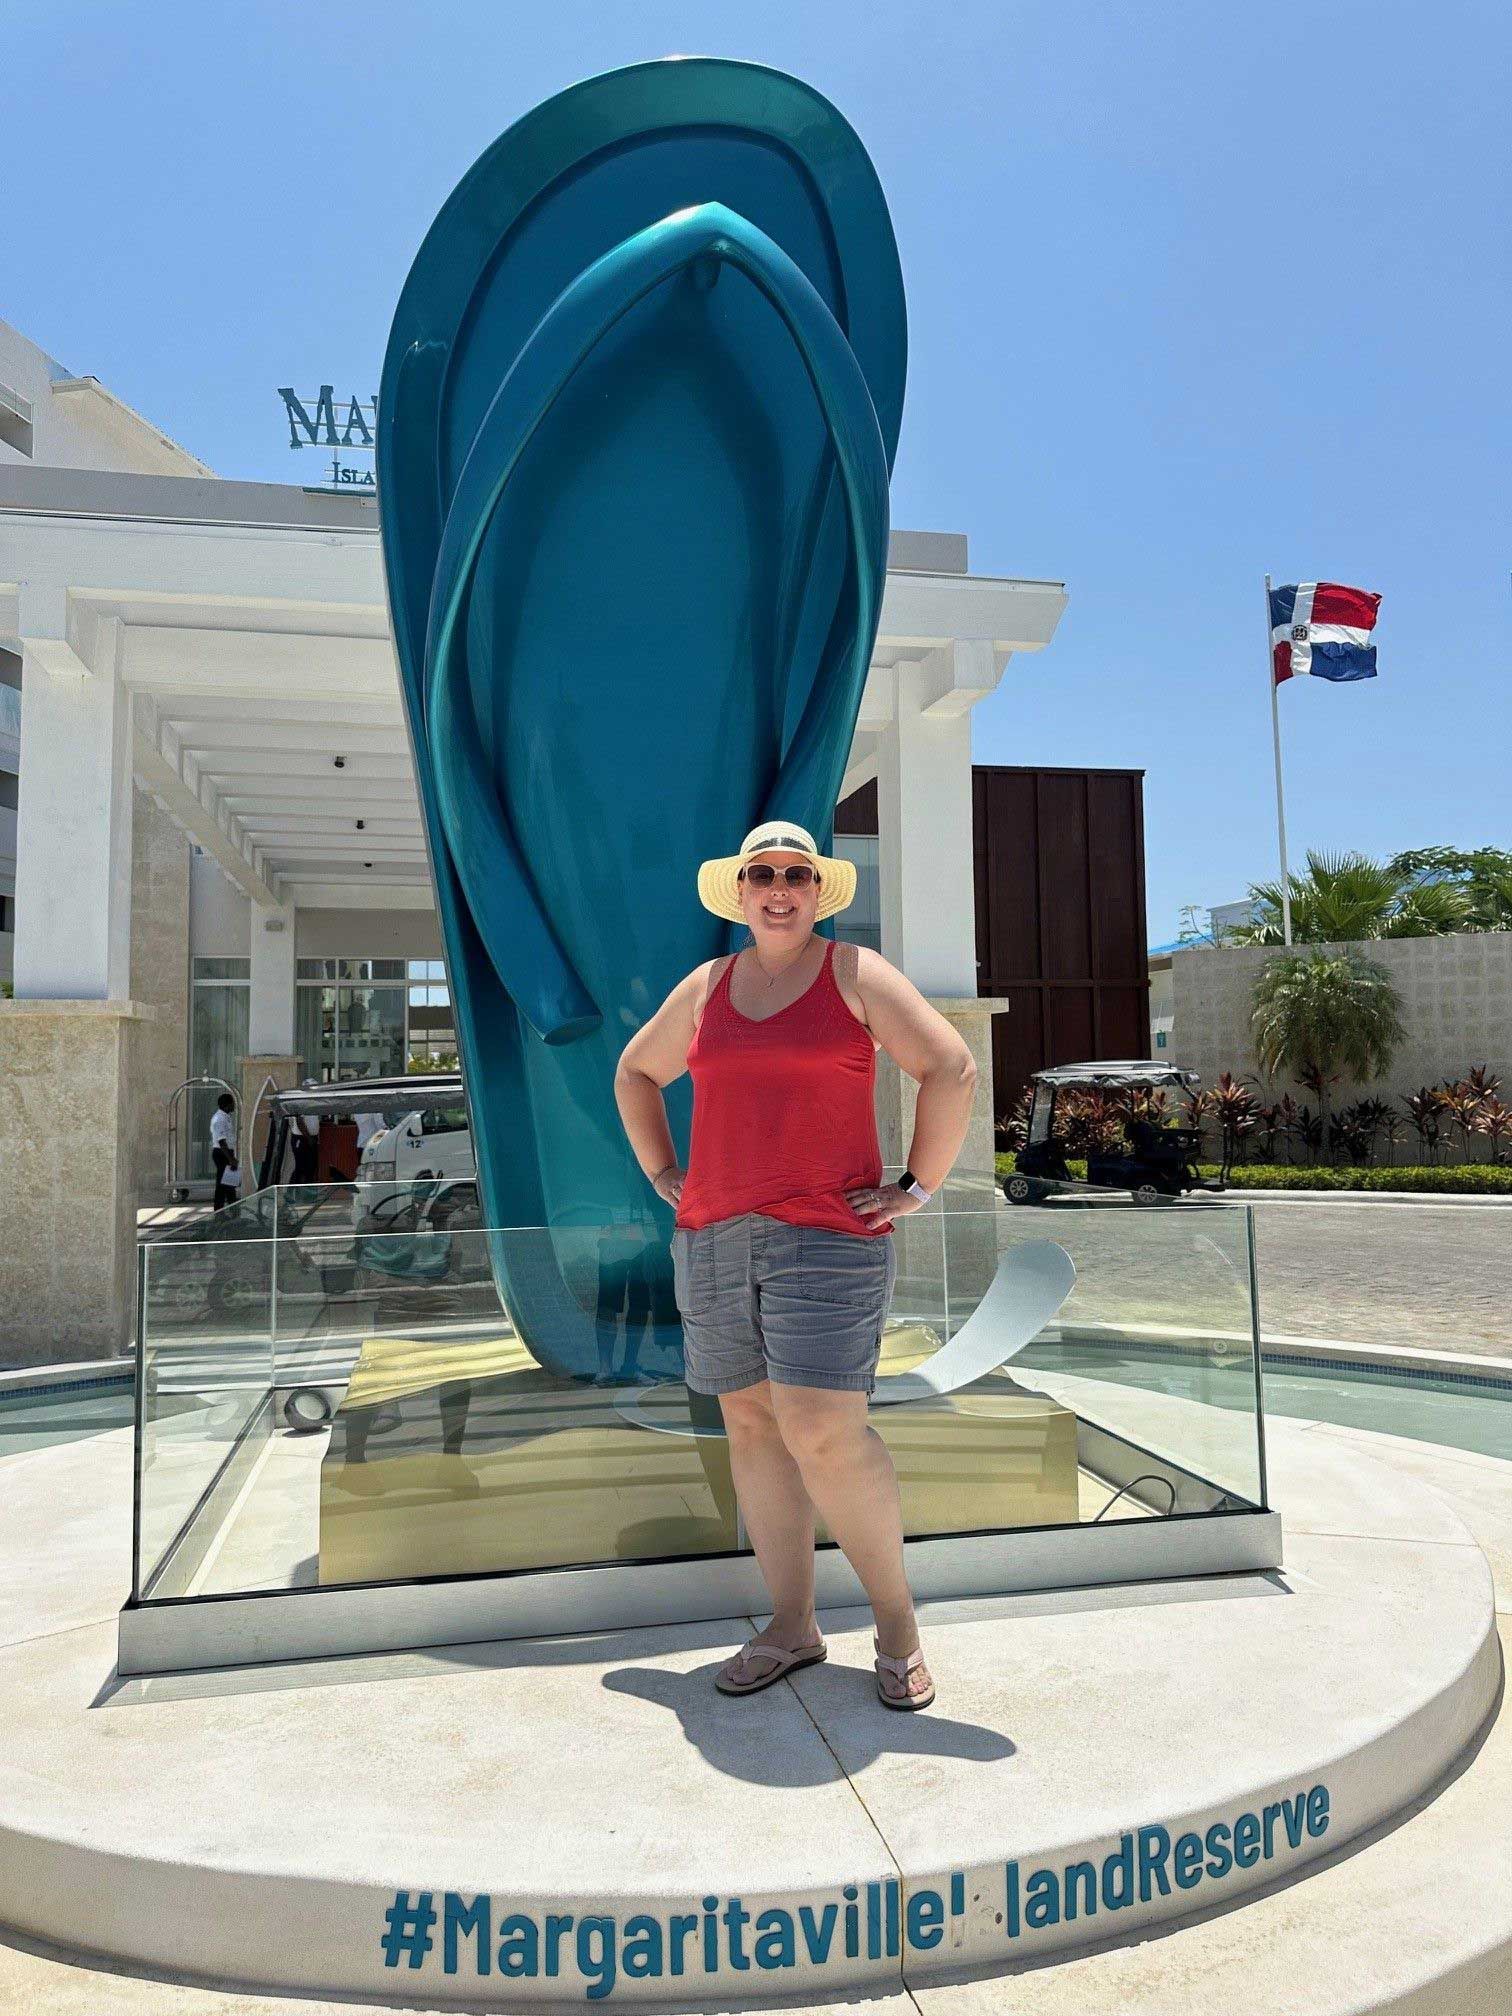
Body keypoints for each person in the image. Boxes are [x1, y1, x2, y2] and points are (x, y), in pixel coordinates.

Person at [614, 820, 978, 1711]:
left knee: (823, 1430)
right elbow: (634, 1072)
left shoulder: (854, 974)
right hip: (711, 1237)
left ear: (818, 891)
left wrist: (918, 1186)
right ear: (739, 892)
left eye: (797, 875)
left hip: (825, 1236)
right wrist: (665, 1172)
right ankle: (792, 1627)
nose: (779, 889)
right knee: (751, 1429)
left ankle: (896, 1628)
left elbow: (951, 1067)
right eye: (762, 874)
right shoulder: (706, 988)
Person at [209, 1093, 240, 1211]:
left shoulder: (226, 1117)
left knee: (230, 1183)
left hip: (226, 1152)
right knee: (222, 1184)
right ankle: (219, 1210)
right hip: (222, 1153)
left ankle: (233, 1208)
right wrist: (230, 1159)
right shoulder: (219, 1119)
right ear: (227, 1105)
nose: (234, 1106)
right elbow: (221, 1141)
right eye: (232, 1103)